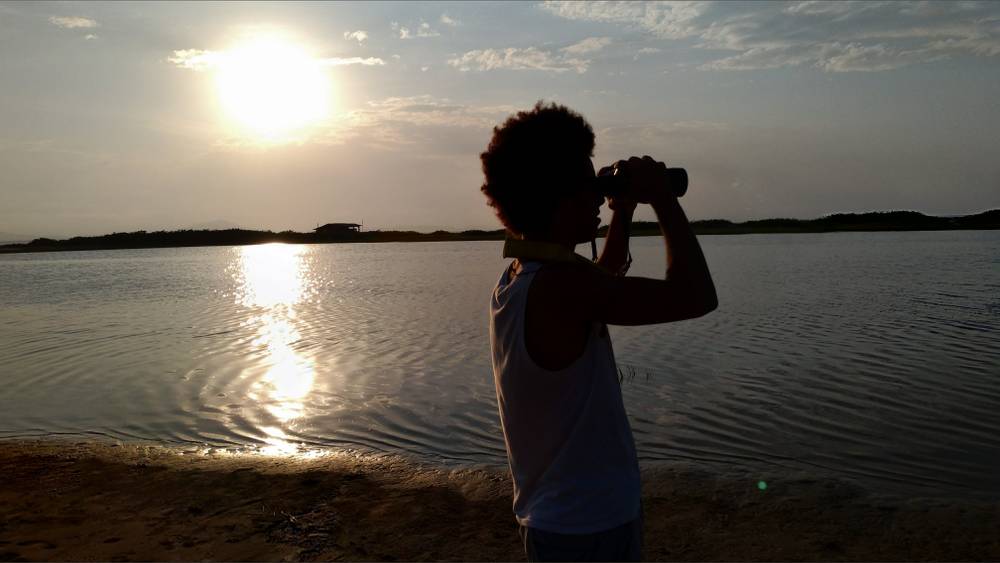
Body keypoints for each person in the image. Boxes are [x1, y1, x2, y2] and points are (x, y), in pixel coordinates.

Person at [482, 102, 718, 562]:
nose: (596, 199)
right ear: (556, 196)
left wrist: (624, 212)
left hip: (557, 520)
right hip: (588, 528)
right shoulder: (560, 287)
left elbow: (602, 277)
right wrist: (663, 200)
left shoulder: (521, 276)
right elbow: (695, 295)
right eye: (587, 187)